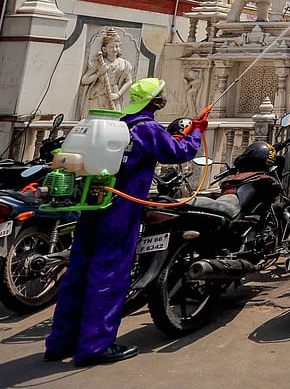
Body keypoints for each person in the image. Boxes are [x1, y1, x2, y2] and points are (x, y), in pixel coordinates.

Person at [44, 78, 206, 366]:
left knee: (78, 272)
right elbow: (179, 153)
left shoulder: (121, 125)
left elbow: (162, 146)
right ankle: (95, 345)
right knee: (109, 275)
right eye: (161, 97)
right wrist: (196, 133)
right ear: (155, 102)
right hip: (120, 211)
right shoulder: (148, 128)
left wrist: (185, 133)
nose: (164, 100)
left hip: (93, 204)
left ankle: (60, 342)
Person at [79, 28, 134, 112]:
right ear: (104, 49)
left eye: (117, 46)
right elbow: (84, 80)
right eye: (111, 47)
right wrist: (99, 73)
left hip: (114, 95)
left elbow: (129, 81)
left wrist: (118, 94)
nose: (115, 49)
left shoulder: (124, 64)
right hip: (97, 96)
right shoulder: (98, 63)